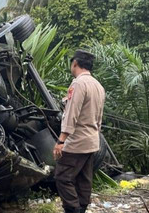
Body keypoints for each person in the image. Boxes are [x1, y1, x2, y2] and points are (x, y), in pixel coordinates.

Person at [53, 50, 105, 213]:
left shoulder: (78, 84)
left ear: (75, 63)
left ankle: (73, 209)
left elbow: (71, 115)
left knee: (62, 176)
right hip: (92, 140)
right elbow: (99, 117)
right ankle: (81, 208)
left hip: (77, 142)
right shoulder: (98, 85)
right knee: (84, 178)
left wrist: (61, 141)